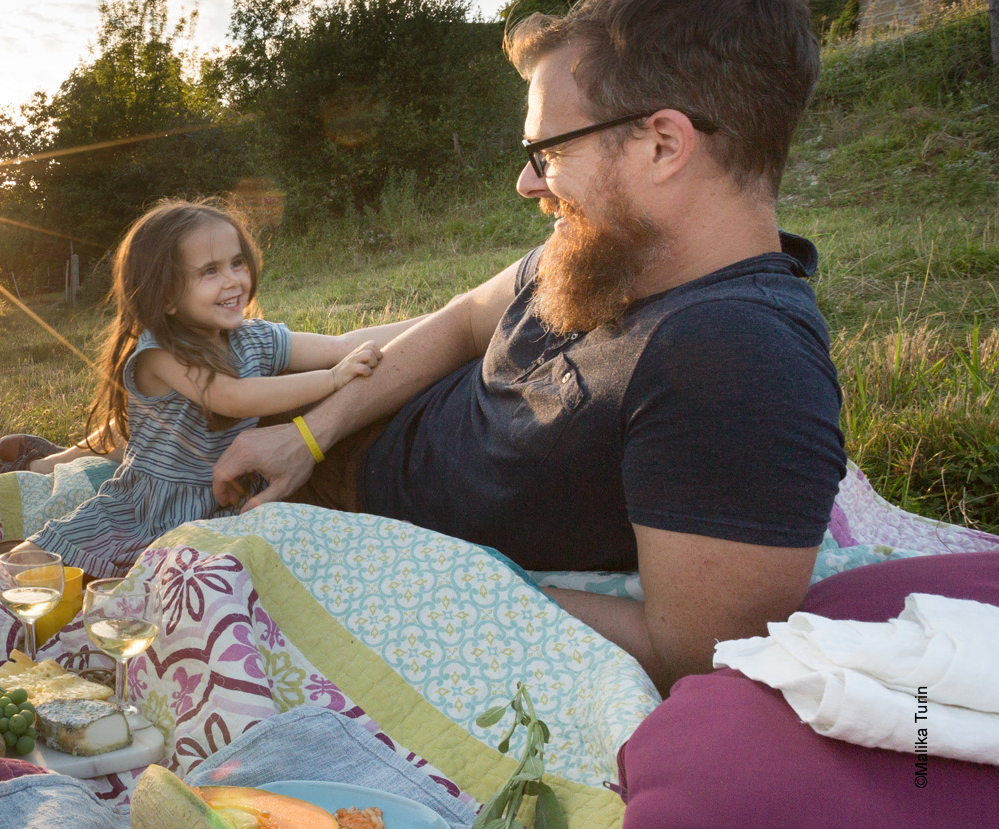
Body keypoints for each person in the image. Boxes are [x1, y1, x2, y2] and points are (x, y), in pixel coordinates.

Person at [212, 0, 844, 694]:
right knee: (176, 394)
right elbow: (461, 321)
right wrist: (310, 431)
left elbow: (696, 652)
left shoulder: (737, 359)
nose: (527, 183)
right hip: (348, 434)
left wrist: (410, 579)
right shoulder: (611, 250)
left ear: (663, 144)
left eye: (549, 152)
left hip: (363, 514)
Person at [3, 199, 420, 578]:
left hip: (222, 504)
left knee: (168, 592)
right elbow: (231, 397)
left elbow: (342, 345)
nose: (233, 280)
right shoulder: (160, 353)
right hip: (149, 506)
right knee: (32, 568)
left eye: (237, 263)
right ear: (165, 296)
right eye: (209, 271)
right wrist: (332, 378)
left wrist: (446, 314)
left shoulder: (256, 338)